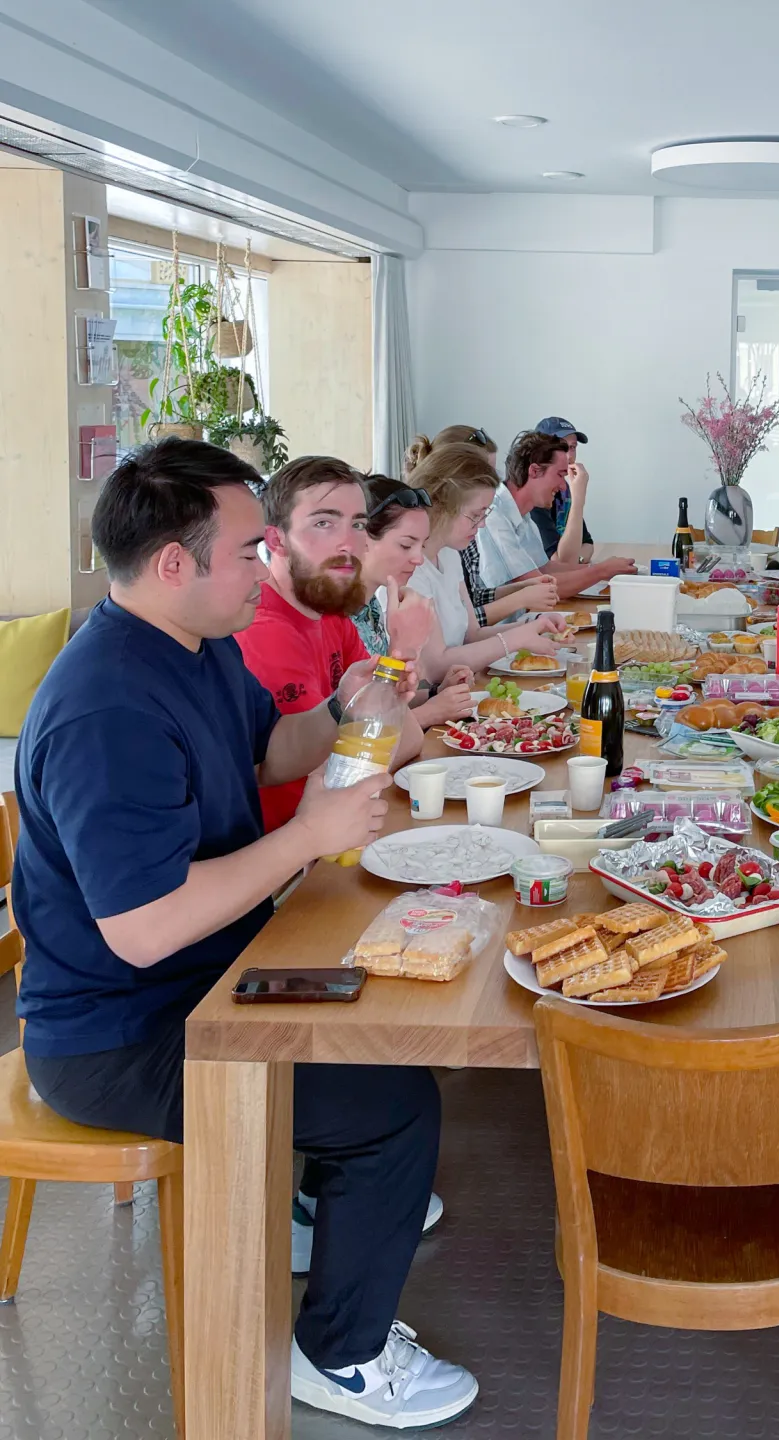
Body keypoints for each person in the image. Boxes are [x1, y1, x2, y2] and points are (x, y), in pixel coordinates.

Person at [12, 438, 478, 1428]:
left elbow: (269, 751)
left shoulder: (198, 642)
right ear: (171, 562)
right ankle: (338, 1357)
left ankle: (319, 1211)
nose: (266, 564)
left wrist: (346, 711)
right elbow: (144, 931)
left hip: (216, 969)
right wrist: (309, 834)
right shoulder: (105, 707)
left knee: (384, 1018)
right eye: (246, 548)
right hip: (119, 1034)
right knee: (395, 1108)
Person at [235, 456, 425, 832]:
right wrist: (403, 652)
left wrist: (400, 659)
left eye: (358, 524)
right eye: (324, 523)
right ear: (275, 540)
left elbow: (406, 737)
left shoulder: (329, 610)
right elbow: (330, 777)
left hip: (343, 829)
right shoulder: (264, 629)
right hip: (298, 854)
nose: (349, 543)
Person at [396, 444, 569, 674]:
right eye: (475, 515)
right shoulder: (412, 570)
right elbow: (436, 665)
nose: (482, 524)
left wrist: (534, 627)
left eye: (484, 514)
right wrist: (516, 639)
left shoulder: (449, 554)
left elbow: (472, 635)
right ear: (441, 507)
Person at [351, 476, 476, 729]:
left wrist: (435, 693)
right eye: (406, 545)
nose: (418, 559)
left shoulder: (371, 607)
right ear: (362, 539)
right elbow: (353, 729)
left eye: (422, 545)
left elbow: (382, 700)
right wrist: (428, 714)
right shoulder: (338, 618)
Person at [475, 431, 635, 598]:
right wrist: (602, 571)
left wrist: (607, 569)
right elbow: (537, 586)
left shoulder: (523, 516)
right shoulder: (493, 516)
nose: (564, 487)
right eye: (560, 475)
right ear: (534, 471)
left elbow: (544, 568)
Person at [529, 417, 595, 561]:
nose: (570, 456)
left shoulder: (564, 490)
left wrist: (576, 560)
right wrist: (578, 500)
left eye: (573, 447)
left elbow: (587, 544)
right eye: (563, 448)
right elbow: (559, 561)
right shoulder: (534, 494)